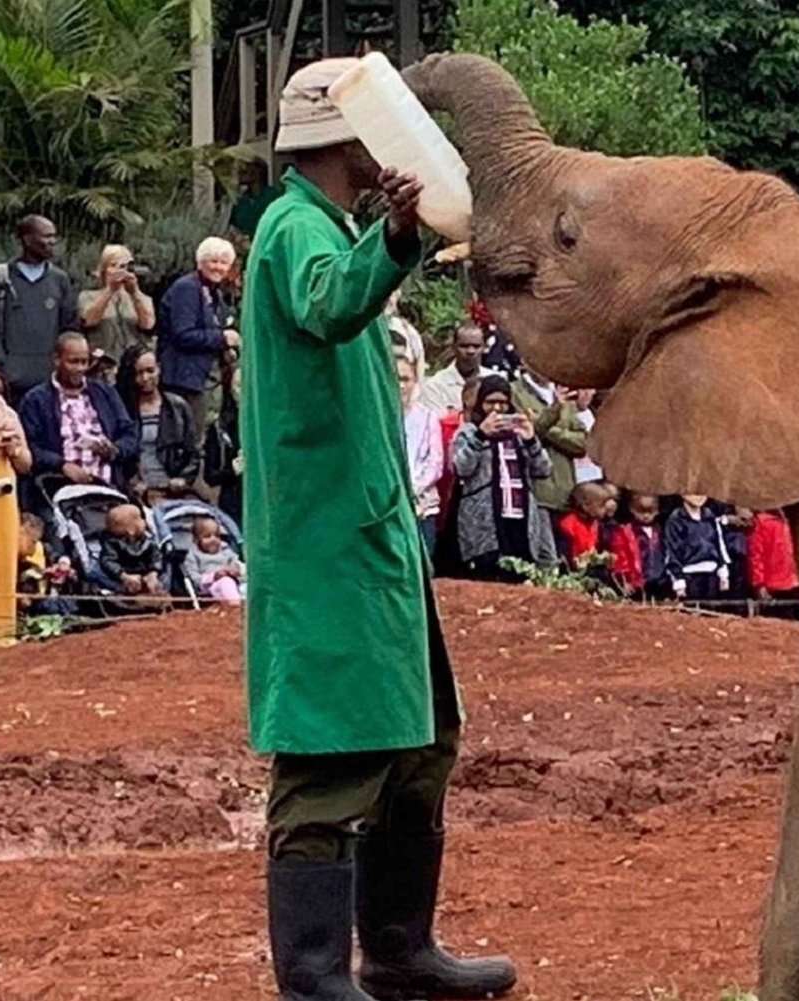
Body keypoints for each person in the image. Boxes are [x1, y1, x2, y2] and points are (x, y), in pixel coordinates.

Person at [242, 58, 516, 1001]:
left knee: (422, 737)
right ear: (342, 140)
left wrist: (388, 237)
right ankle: (315, 979)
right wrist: (396, 236)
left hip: (373, 541)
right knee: (330, 756)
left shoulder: (323, 225)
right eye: (377, 130)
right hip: (329, 546)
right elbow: (327, 300)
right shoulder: (292, 230)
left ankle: (399, 950)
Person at [450, 374, 558, 579]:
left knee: (520, 578)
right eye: (490, 402)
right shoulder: (468, 431)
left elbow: (544, 470)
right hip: (485, 522)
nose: (497, 409)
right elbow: (460, 468)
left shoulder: (518, 434)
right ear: (481, 403)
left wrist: (531, 440)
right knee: (487, 576)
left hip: (521, 518)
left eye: (502, 403)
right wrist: (480, 436)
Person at [18, 332, 137, 490]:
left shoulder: (104, 392)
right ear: (57, 360)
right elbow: (30, 447)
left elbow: (129, 434)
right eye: (73, 362)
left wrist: (114, 450)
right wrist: (61, 465)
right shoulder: (36, 399)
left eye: (84, 362)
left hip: (108, 484)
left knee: (129, 514)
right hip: (58, 486)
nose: (80, 368)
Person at [157, 237, 241, 446]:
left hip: (206, 380)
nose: (218, 267)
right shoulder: (186, 288)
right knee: (186, 439)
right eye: (213, 261)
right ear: (200, 261)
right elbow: (182, 334)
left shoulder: (216, 294)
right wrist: (221, 338)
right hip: (184, 378)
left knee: (202, 437)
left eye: (224, 263)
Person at [0, 215, 79, 401]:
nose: (52, 241)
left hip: (49, 382)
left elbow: (69, 328)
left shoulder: (59, 280)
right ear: (28, 239)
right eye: (46, 236)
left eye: (54, 236)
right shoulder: (2, 279)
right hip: (10, 383)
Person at [115, 347, 200, 504]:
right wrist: (131, 483)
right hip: (137, 491)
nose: (145, 378)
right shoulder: (123, 408)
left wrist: (183, 479)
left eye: (150, 371)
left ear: (159, 369)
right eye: (139, 373)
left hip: (173, 490)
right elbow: (118, 455)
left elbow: (193, 453)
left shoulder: (178, 406)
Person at [0, 364, 33, 639]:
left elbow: (26, 464)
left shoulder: (8, 413)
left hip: (3, 493)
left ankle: (1, 628)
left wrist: (13, 448)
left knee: (2, 557)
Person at [511, 368, 587, 514]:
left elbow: (582, 444)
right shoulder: (514, 392)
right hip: (536, 497)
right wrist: (552, 412)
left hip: (567, 493)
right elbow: (527, 435)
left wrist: (547, 427)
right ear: (525, 361)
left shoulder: (564, 395)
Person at [398, 356, 444, 558]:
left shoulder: (427, 417)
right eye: (396, 378)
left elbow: (435, 464)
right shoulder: (379, 419)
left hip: (421, 506)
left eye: (406, 379)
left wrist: (412, 488)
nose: (401, 385)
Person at [78, 245, 157, 358]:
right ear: (104, 269)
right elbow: (89, 321)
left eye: (126, 266)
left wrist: (134, 292)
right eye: (114, 265)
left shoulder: (142, 298)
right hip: (103, 360)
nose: (120, 271)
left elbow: (148, 324)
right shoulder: (87, 296)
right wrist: (110, 290)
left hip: (133, 362)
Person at [664, 493, 732, 601]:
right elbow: (672, 551)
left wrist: (723, 573)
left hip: (712, 575)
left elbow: (719, 544)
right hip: (689, 576)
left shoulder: (710, 516)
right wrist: (679, 581)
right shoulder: (676, 519)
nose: (698, 497)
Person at [97, 503, 167, 601]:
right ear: (131, 530)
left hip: (145, 575)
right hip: (123, 578)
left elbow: (156, 556)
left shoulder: (147, 541)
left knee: (164, 576)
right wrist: (123, 576)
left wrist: (153, 572)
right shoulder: (111, 544)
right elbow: (108, 561)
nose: (144, 521)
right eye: (140, 519)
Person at [203, 352, 242, 527]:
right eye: (239, 386)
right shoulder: (219, 428)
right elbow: (210, 476)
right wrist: (233, 470)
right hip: (233, 502)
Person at [419, 322, 489, 414]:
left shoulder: (496, 380)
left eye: (476, 346)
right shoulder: (435, 386)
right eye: (464, 346)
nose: (470, 351)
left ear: (484, 348)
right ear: (453, 347)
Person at [747, 509, 799, 617]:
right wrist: (759, 584)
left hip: (794, 582)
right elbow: (755, 556)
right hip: (774, 585)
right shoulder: (762, 522)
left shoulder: (790, 521)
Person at [183, 516, 245, 605]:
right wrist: (214, 576)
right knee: (226, 582)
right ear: (196, 540)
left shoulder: (225, 550)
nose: (213, 539)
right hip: (212, 587)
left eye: (217, 535)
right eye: (207, 536)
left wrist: (235, 569)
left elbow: (235, 562)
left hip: (235, 583)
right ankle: (236, 606)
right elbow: (195, 579)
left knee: (247, 586)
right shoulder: (193, 555)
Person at [621, 492, 669, 600]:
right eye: (641, 512)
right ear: (632, 510)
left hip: (660, 581)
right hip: (638, 582)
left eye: (650, 512)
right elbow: (622, 558)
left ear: (657, 511)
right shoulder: (627, 531)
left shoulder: (660, 530)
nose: (646, 516)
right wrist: (625, 580)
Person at [229, 158, 282, 237]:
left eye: (245, 169)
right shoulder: (240, 199)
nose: (240, 172)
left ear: (257, 172)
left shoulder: (273, 196)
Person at [386, 289, 427, 384]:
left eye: (391, 296)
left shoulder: (406, 329)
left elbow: (419, 357)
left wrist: (419, 385)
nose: (388, 300)